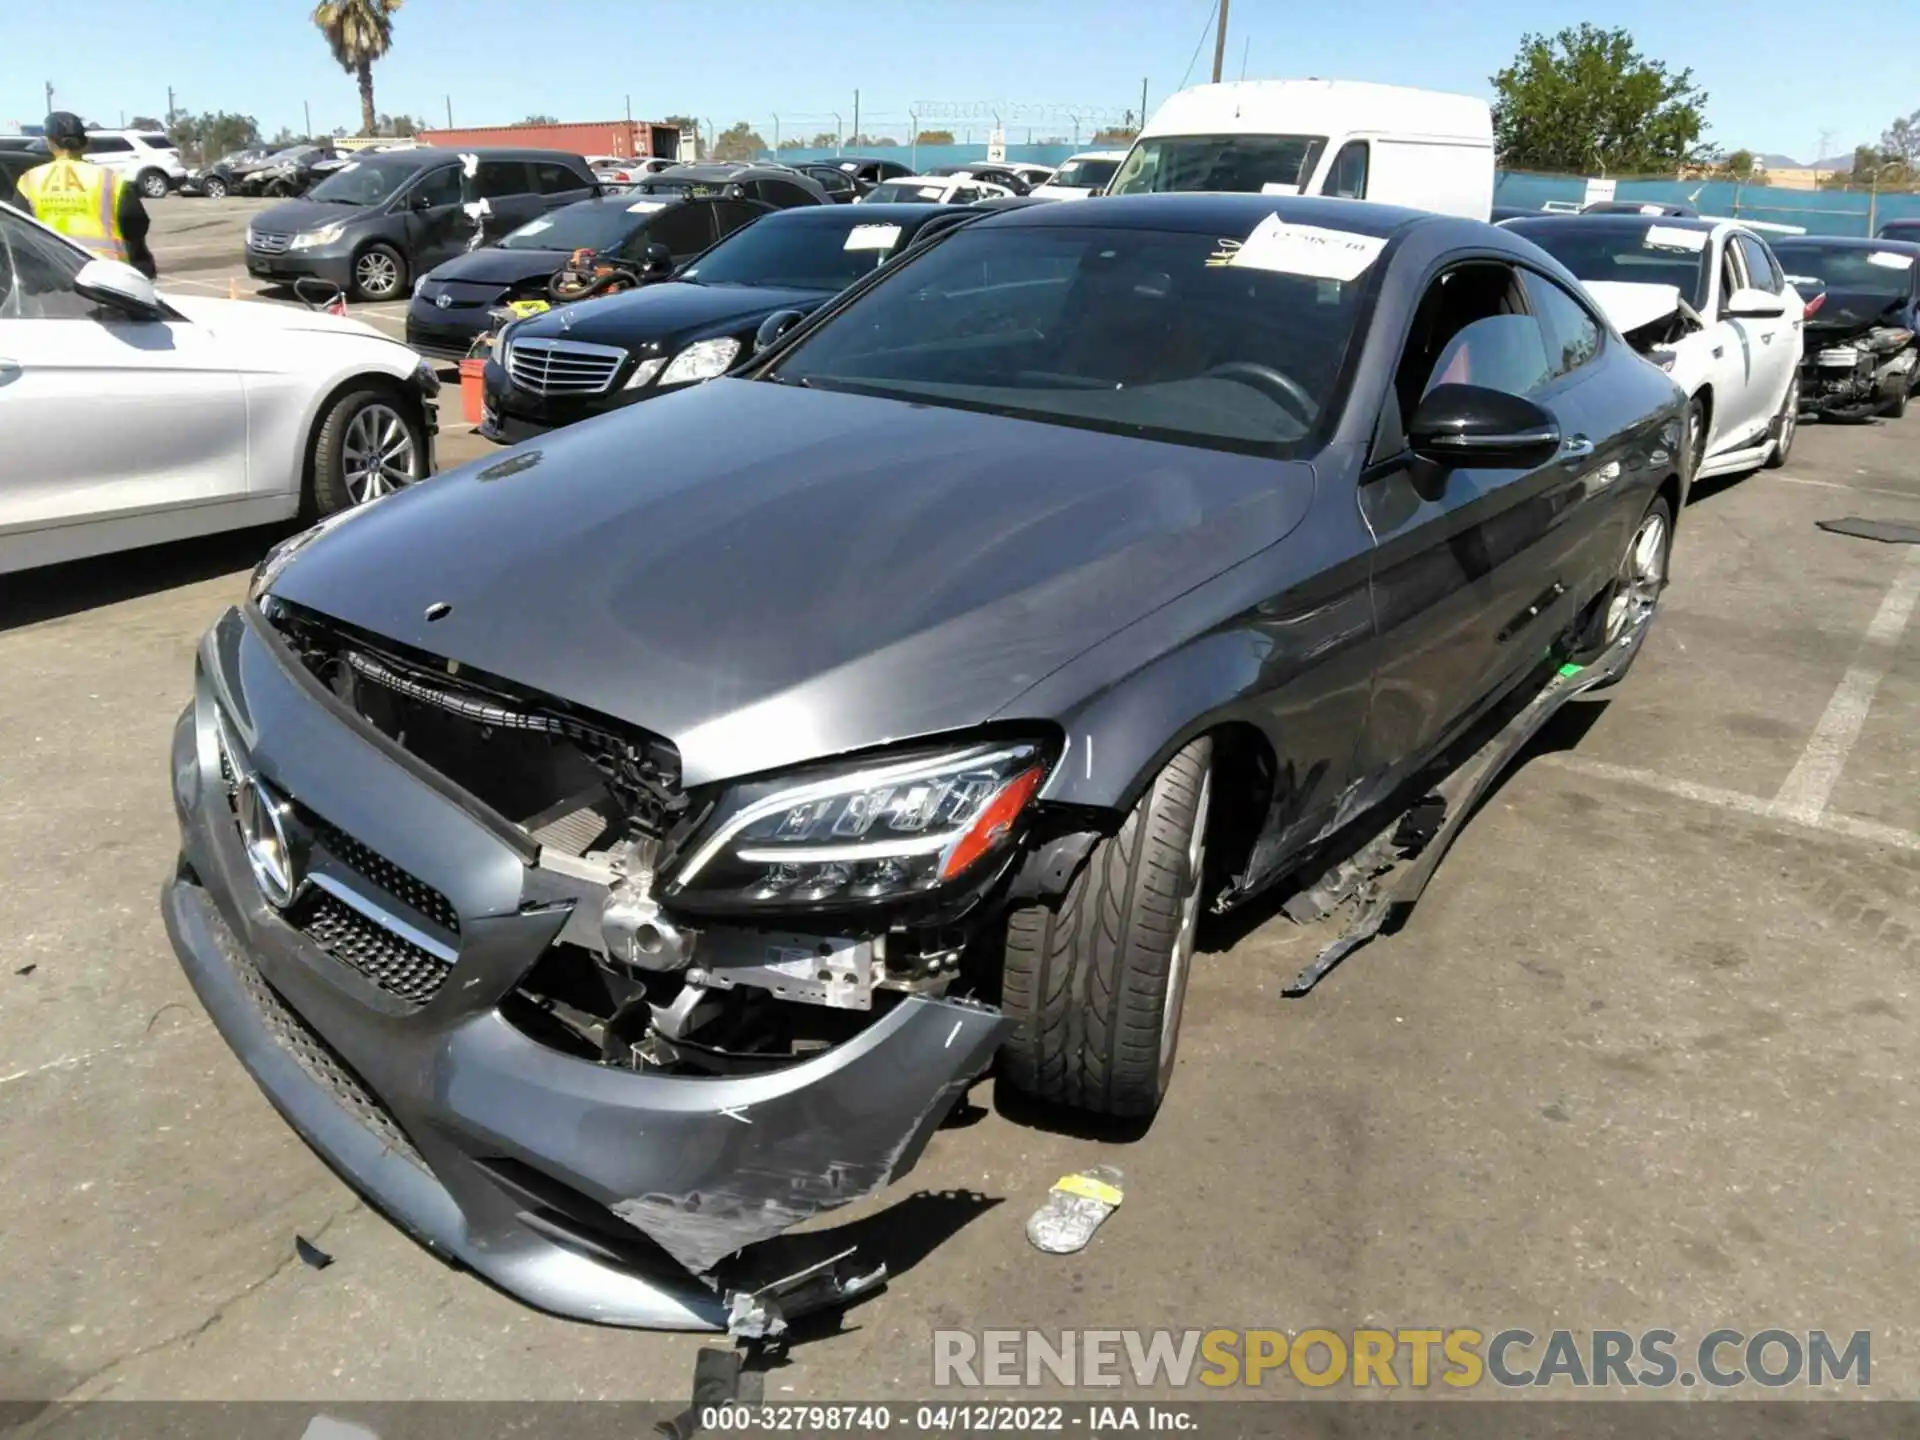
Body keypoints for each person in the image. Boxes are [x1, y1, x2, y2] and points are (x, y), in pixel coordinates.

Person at [14, 112, 157, 278]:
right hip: (108, 277)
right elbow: (136, 226)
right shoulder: (110, 179)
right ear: (85, 143)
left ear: (50, 143)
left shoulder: (29, 180)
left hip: (54, 276)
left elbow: (19, 231)